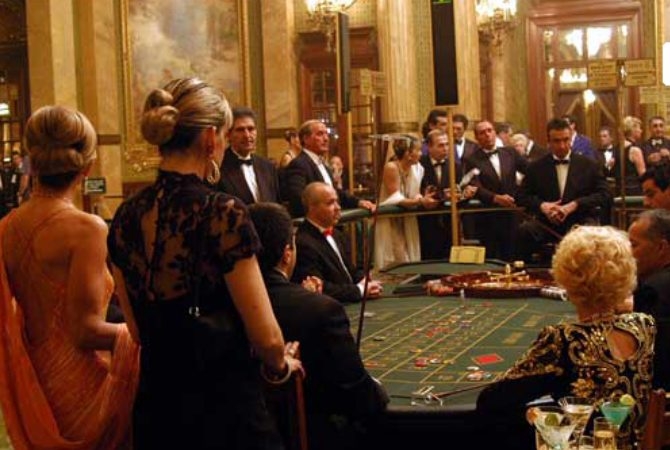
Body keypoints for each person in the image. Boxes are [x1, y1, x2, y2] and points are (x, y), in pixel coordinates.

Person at [107, 77, 302, 449]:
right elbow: (267, 338)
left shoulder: (125, 215)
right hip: (224, 412)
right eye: (227, 135)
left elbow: (137, 330)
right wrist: (281, 366)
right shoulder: (222, 212)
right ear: (211, 139)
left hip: (157, 412)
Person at [0, 105, 139, 449]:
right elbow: (84, 331)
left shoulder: (7, 226)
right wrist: (144, 334)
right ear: (87, 166)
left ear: (33, 161)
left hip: (35, 384)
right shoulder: (86, 228)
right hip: (82, 385)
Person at [477, 225, 655, 450]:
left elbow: (491, 400)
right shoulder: (644, 325)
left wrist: (540, 419)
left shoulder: (565, 337)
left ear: (565, 277)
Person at [249, 202, 389, 450]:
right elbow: (358, 394)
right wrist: (379, 393)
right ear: (287, 253)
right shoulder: (323, 310)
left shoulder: (220, 305)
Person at [516, 118, 611, 263]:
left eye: (566, 140)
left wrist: (575, 204)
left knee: (588, 237)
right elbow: (521, 196)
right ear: (548, 141)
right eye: (556, 141)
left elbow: (605, 194)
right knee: (524, 231)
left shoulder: (588, 165)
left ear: (571, 139)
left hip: (579, 219)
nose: (562, 146)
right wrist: (543, 206)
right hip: (546, 223)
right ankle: (528, 273)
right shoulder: (536, 167)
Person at [292, 181, 382, 303]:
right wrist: (360, 290)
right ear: (312, 207)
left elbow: (352, 270)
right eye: (330, 203)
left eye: (337, 201)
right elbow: (319, 288)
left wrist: (364, 281)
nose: (338, 207)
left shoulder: (337, 234)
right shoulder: (303, 243)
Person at [463, 120, 528, 261]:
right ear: (477, 138)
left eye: (490, 130)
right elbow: (474, 185)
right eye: (482, 133)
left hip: (511, 212)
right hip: (488, 215)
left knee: (513, 254)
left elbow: (530, 172)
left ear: (494, 133)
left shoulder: (510, 152)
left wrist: (519, 193)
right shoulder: (471, 159)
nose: (487, 135)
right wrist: (496, 198)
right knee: (492, 257)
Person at [281, 119, 374, 217]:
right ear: (306, 139)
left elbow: (335, 192)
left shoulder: (324, 165)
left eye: (326, 134)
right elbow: (298, 199)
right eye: (320, 134)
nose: (326, 139)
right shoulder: (298, 164)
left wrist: (358, 202)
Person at [375, 134, 438, 270]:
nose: (421, 154)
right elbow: (396, 198)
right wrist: (421, 201)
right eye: (418, 150)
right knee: (397, 259)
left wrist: (423, 197)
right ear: (408, 153)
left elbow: (415, 194)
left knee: (410, 258)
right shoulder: (391, 167)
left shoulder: (417, 168)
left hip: (408, 219)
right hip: (391, 221)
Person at [628, 209, 670, 391]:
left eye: (633, 245)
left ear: (661, 247)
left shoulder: (652, 290)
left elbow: (648, 362)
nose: (628, 253)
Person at [217, 106, 281, 204]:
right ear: (228, 135)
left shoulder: (267, 166)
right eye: (240, 130)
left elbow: (277, 204)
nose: (247, 135)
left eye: (251, 129)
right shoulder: (219, 166)